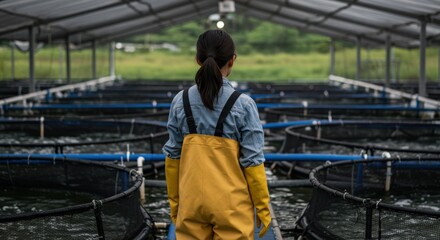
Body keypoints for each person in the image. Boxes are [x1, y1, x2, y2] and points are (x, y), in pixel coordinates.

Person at [162, 29, 271, 239]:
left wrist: (175, 204)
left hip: (191, 202)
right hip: (232, 207)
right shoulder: (244, 104)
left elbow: (173, 156)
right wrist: (263, 209)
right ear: (232, 60)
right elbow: (253, 162)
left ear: (197, 59)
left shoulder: (180, 100)